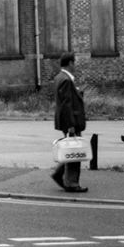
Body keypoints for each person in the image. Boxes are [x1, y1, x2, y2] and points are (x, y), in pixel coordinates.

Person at [51, 52, 87, 193]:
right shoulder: (66, 80)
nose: (75, 65)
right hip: (71, 122)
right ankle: (71, 183)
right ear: (71, 63)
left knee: (70, 150)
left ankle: (59, 175)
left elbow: (67, 100)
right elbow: (66, 105)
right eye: (74, 62)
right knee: (74, 151)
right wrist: (71, 125)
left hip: (67, 121)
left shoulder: (60, 77)